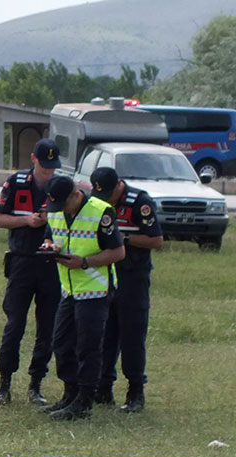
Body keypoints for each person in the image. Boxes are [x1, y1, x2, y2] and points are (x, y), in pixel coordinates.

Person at [39, 173, 126, 421]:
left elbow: (118, 252)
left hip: (96, 290)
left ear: (77, 195)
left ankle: (85, 401)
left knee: (88, 346)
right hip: (69, 289)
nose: (60, 210)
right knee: (61, 342)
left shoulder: (101, 212)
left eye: (64, 204)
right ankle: (70, 393)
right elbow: (50, 234)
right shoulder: (56, 210)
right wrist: (49, 245)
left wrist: (85, 263)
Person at [0, 138, 63, 406]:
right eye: (45, 166)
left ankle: (36, 384)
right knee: (14, 325)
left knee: (48, 327)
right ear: (33, 159)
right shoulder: (16, 182)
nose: (49, 172)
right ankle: (4, 384)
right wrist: (28, 221)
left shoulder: (61, 186)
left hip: (51, 265)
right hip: (22, 262)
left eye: (53, 167)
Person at [91, 167, 163, 413]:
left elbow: (156, 240)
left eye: (110, 193)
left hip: (133, 277)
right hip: (107, 277)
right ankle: (103, 388)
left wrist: (124, 240)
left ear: (120, 185)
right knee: (105, 334)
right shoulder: (99, 203)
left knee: (132, 335)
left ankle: (135, 392)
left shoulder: (139, 203)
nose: (107, 198)